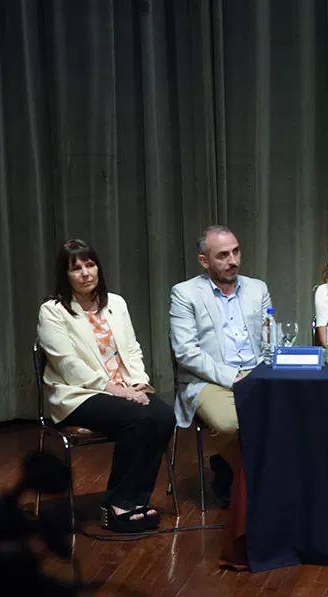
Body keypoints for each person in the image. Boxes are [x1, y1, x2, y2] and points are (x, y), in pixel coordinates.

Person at [36, 239, 176, 532]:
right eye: (76, 269)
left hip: (124, 388)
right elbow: (68, 365)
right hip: (78, 393)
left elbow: (132, 348)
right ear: (65, 274)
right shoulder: (53, 311)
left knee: (164, 416)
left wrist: (138, 382)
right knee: (137, 418)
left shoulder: (116, 303)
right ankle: (117, 505)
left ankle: (138, 500)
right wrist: (117, 390)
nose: (86, 273)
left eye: (90, 264)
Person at [169, 226, 273, 506]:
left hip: (256, 373)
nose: (233, 261)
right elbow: (186, 352)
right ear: (205, 261)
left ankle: (234, 472)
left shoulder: (257, 288)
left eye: (236, 252)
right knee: (229, 425)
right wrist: (232, 377)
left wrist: (263, 371)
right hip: (208, 379)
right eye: (223, 255)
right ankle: (260, 487)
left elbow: (269, 339)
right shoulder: (185, 293)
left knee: (292, 415)